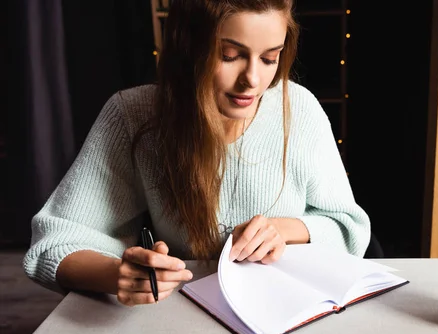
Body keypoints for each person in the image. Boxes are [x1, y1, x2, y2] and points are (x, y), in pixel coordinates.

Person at [22, 0, 371, 307]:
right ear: (189, 46)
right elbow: (53, 243)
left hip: (283, 312)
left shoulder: (301, 109)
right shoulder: (133, 115)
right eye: (229, 55)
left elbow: (350, 229)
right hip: (177, 315)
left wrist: (286, 229)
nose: (252, 79)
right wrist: (118, 275)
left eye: (269, 58)